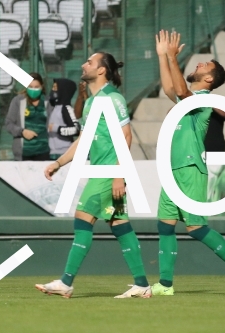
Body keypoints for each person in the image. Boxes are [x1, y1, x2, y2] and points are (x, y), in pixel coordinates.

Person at [35, 52, 152, 299]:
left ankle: (66, 282)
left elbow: (126, 136)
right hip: (105, 171)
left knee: (82, 218)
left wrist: (120, 175)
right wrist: (59, 162)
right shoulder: (90, 102)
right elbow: (83, 141)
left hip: (109, 173)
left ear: (101, 71)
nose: (83, 64)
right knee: (120, 225)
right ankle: (141, 283)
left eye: (90, 62)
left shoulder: (113, 99)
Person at [154, 29, 225, 296]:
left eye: (204, 65)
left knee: (196, 227)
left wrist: (174, 58)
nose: (198, 63)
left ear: (208, 78)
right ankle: (165, 284)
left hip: (190, 168)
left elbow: (182, 94)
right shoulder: (187, 95)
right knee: (164, 225)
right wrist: (163, 56)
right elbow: (170, 88)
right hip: (172, 168)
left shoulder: (205, 99)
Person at [5, 72, 51, 161]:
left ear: (42, 86)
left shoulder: (49, 102)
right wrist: (22, 132)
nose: (33, 90)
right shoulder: (18, 101)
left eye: (36, 87)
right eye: (30, 87)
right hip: (23, 153)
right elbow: (8, 124)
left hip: (45, 152)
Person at [47, 78, 80, 160]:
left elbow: (76, 129)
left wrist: (56, 128)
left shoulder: (66, 108)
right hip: (53, 152)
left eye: (55, 88)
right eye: (52, 87)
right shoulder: (54, 108)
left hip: (64, 152)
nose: (52, 90)